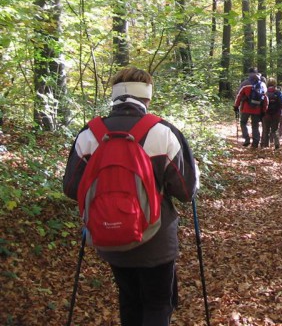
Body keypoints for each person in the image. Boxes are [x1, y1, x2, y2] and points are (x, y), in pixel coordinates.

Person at [63, 67, 199, 326]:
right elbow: (185, 191)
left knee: (130, 300)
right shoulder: (162, 132)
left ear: (115, 96)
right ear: (147, 96)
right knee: (158, 303)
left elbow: (71, 188)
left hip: (108, 234)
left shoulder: (90, 133)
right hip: (156, 236)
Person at [234, 68, 267, 147]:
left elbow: (239, 95)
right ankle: (255, 142)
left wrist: (236, 106)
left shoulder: (245, 83)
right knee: (255, 125)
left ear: (249, 73)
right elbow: (265, 98)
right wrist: (264, 110)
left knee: (243, 122)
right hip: (257, 109)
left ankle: (247, 138)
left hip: (246, 108)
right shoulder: (262, 85)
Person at [261, 77, 282, 149]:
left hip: (266, 114)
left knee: (266, 129)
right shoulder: (278, 93)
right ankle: (276, 143)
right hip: (276, 114)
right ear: (275, 84)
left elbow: (261, 104)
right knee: (275, 129)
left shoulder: (265, 92)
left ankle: (266, 145)